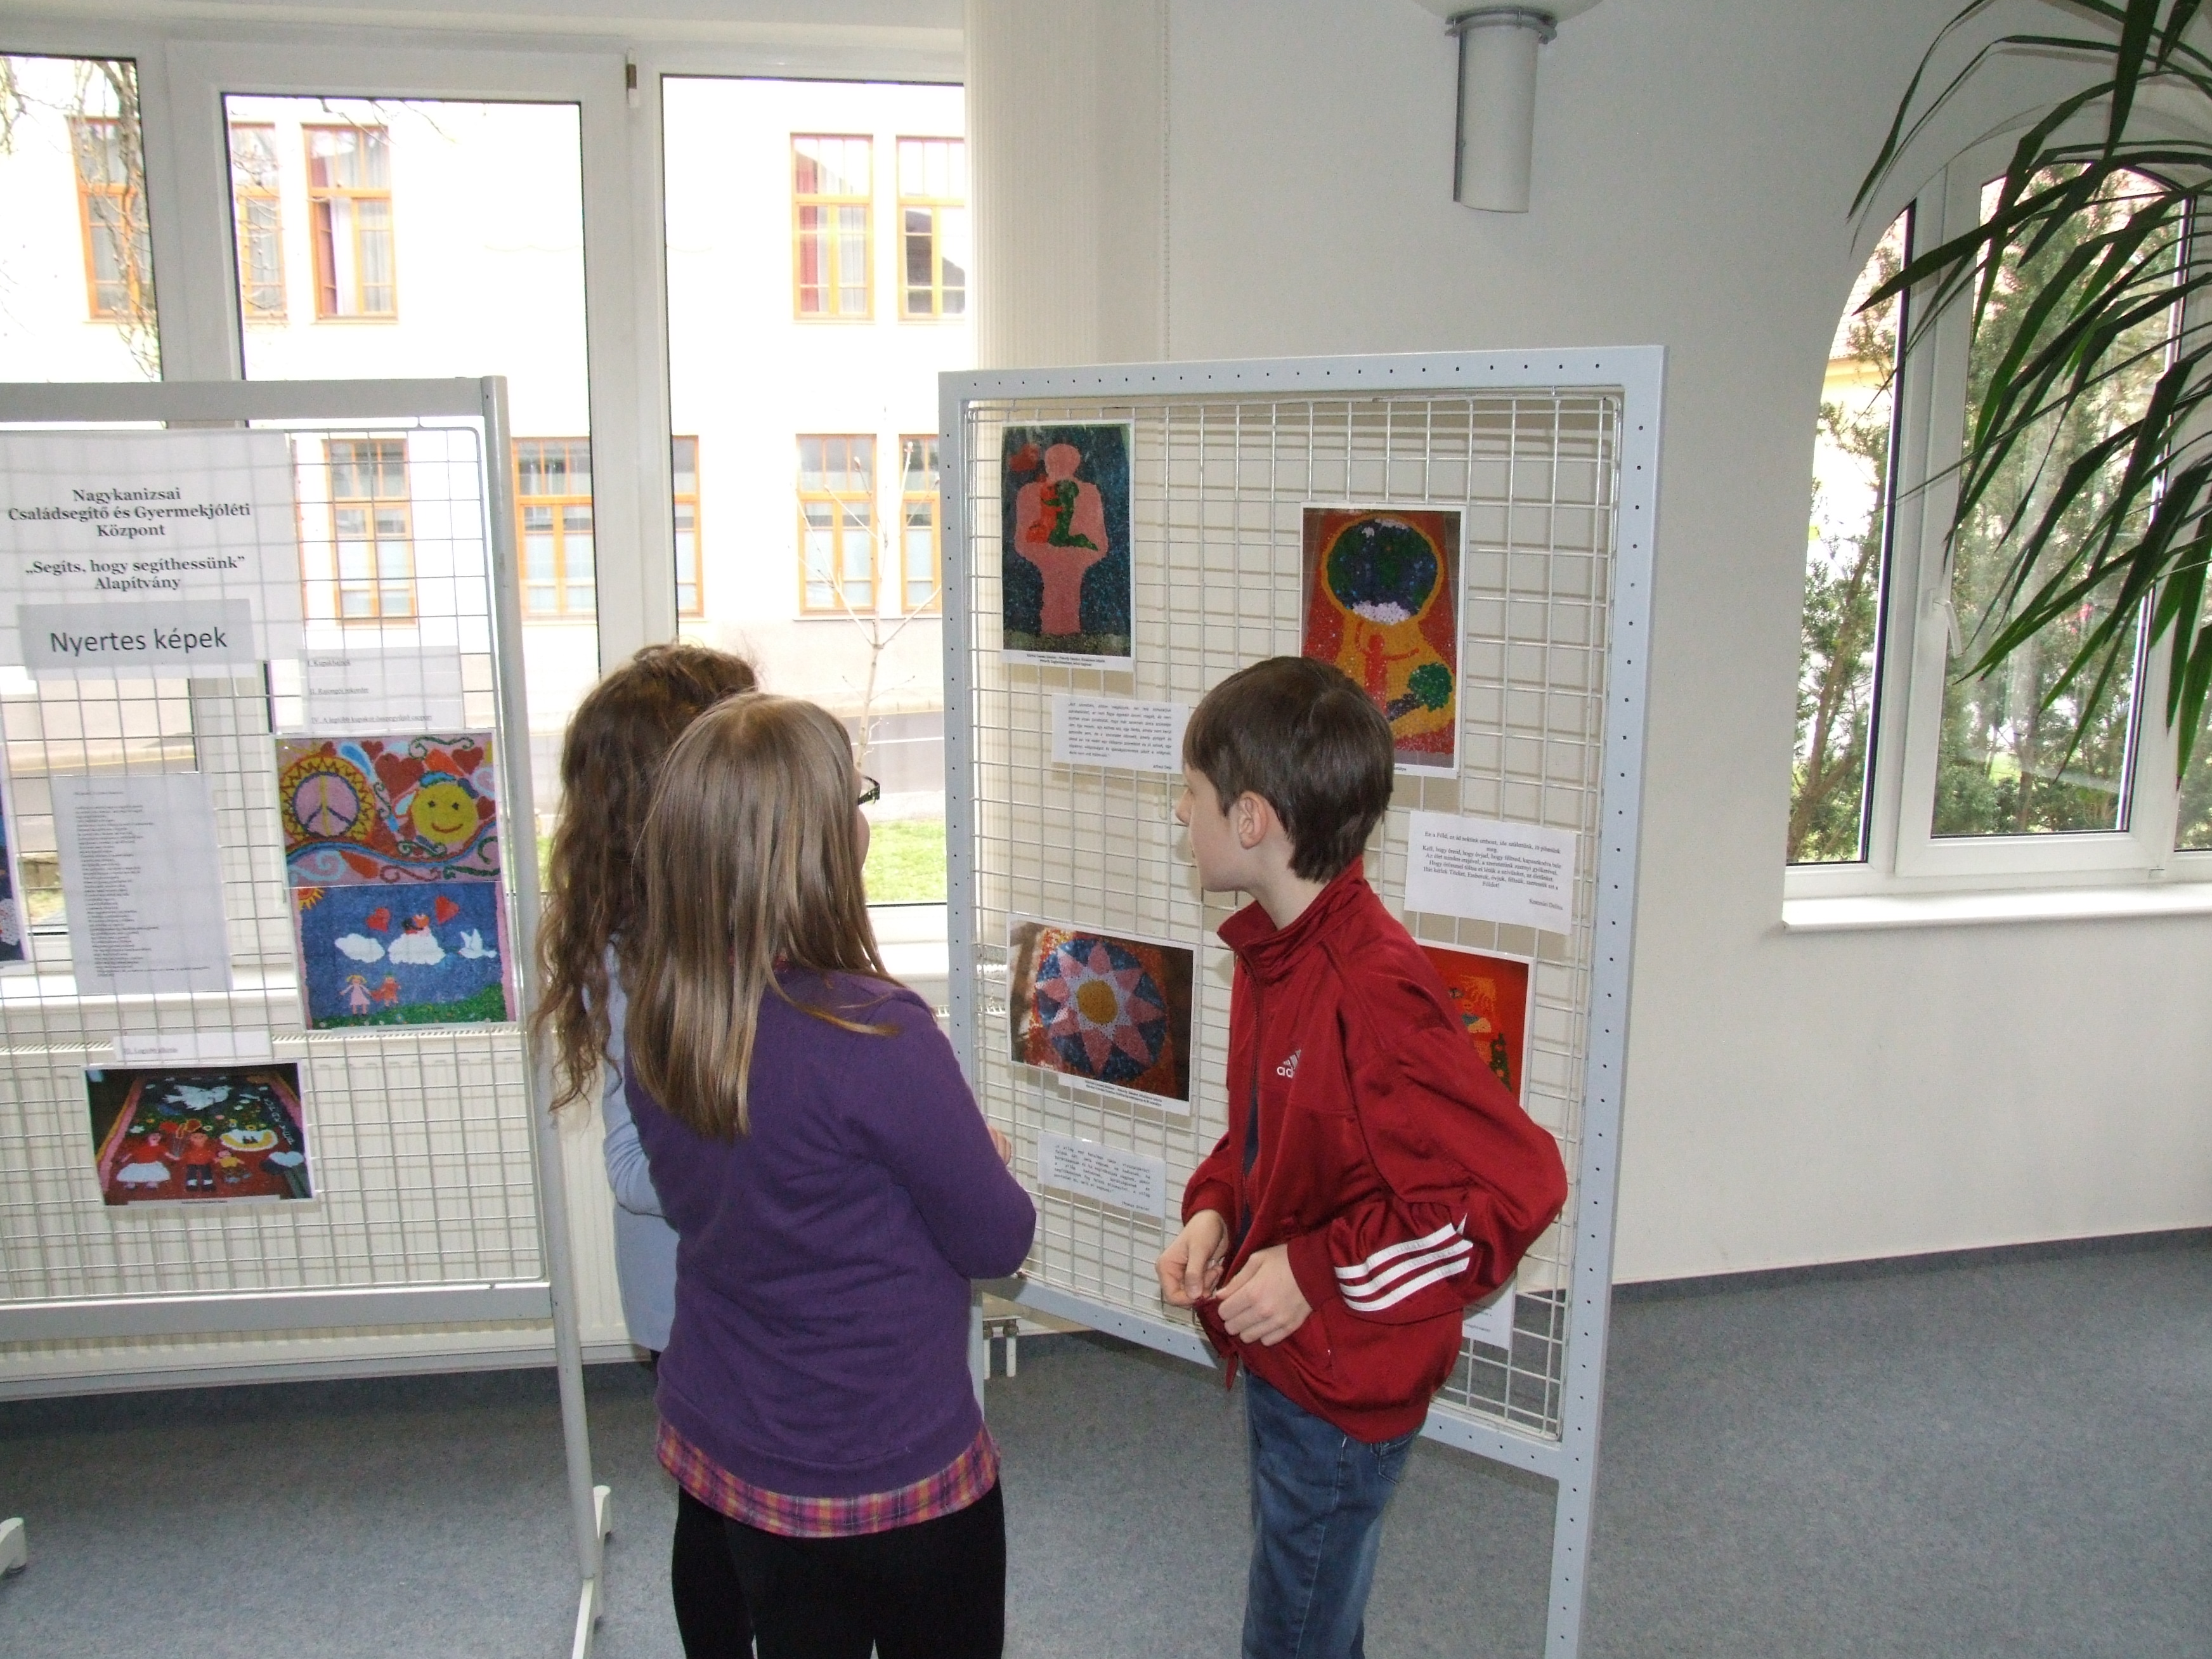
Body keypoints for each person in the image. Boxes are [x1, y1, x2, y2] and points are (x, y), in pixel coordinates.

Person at [1154, 656, 1569, 1659]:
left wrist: (1313, 1272)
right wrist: (1215, 1207)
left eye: (1192, 792)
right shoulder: (1276, 951)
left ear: (1251, 820)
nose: (1180, 811)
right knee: (1309, 1612)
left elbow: (1517, 1188)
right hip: (1290, 1360)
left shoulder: (1372, 989)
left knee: (1293, 1633)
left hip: (1343, 1387)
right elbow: (1275, 1133)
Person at [624, 693, 1034, 1659]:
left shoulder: (663, 1018)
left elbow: (733, 1196)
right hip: (890, 1461)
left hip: (742, 1450)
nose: (864, 817)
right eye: (856, 797)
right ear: (817, 846)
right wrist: (976, 1155)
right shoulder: (877, 1034)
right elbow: (997, 1238)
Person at [533, 640, 760, 1659]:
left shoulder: (730, 921)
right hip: (693, 1291)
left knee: (756, 1518)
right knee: (717, 1519)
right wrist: (792, 1164)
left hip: (738, 1278)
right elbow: (634, 1171)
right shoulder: (641, 954)